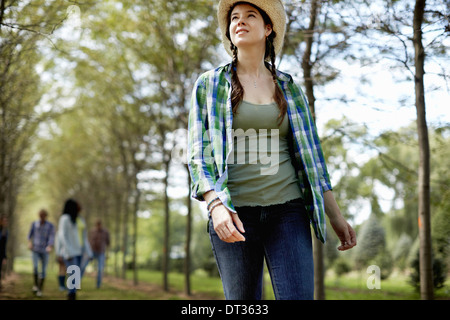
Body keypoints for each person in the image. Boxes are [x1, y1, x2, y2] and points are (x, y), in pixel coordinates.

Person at [187, 0, 357, 300]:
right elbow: (198, 157)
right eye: (234, 17)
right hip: (233, 213)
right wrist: (215, 206)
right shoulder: (210, 84)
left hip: (288, 212)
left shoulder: (288, 88)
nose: (240, 21)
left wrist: (336, 217)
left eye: (250, 15)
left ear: (268, 28)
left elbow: (313, 160)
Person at [56, 198, 92, 300]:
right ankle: (71, 294)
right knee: (74, 272)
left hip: (80, 251)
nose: (79, 206)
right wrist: (67, 251)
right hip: (70, 251)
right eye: (77, 204)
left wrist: (89, 252)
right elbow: (62, 235)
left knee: (77, 273)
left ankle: (71, 292)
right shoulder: (65, 218)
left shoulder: (79, 219)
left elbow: (84, 237)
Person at [27, 209, 55, 297]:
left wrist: (50, 246)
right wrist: (29, 243)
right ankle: (35, 285)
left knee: (43, 270)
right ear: (39, 215)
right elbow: (29, 235)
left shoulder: (50, 225)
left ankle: (40, 290)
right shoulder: (34, 224)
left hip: (45, 250)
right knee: (35, 267)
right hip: (35, 249)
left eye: (44, 215)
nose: (42, 217)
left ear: (46, 216)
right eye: (41, 215)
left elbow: (52, 236)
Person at [88, 218, 110, 288]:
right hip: (92, 252)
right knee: (83, 265)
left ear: (101, 225)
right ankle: (76, 283)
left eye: (99, 225)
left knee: (100, 269)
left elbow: (108, 243)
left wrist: (107, 254)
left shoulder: (105, 232)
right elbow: (89, 241)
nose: (98, 227)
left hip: (101, 252)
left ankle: (98, 285)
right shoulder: (92, 231)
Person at [0, 216, 8, 290]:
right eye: (4, 221)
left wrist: (4, 257)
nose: (5, 222)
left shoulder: (5, 232)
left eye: (6, 221)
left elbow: (4, 245)